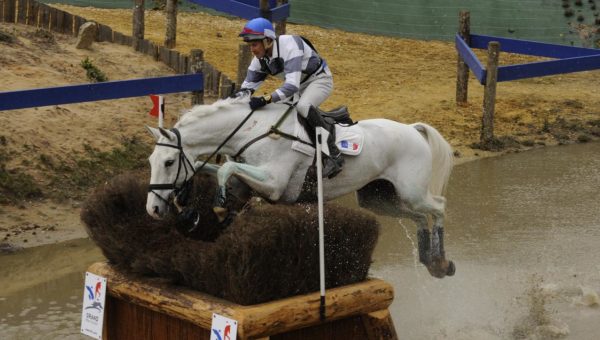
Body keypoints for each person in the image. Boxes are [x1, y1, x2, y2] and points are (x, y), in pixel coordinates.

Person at [234, 17, 344, 179]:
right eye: (250, 45)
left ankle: (334, 155)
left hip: (319, 80)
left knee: (303, 106)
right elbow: (246, 90)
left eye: (255, 44)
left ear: (268, 41)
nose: (252, 50)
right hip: (298, 85)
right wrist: (231, 102)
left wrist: (265, 99)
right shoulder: (259, 61)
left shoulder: (289, 45)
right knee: (277, 112)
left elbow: (291, 86)